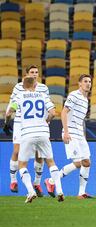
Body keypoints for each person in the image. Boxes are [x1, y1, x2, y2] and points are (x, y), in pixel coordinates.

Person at [4, 76, 64, 203]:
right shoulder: (43, 96)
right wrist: (46, 121)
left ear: (24, 86)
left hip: (27, 134)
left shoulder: (19, 96)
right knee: (51, 162)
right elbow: (53, 112)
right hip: (43, 132)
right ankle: (59, 190)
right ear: (35, 85)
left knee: (22, 164)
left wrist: (7, 123)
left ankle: (31, 191)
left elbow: (9, 113)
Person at [44, 74, 93, 199]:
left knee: (86, 162)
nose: (88, 83)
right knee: (78, 162)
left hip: (79, 134)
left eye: (90, 81)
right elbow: (64, 112)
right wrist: (66, 132)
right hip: (70, 132)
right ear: (79, 83)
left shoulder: (86, 100)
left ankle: (81, 193)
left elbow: (81, 121)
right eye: (85, 81)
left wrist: (83, 136)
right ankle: (51, 181)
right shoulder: (74, 95)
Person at [3, 65, 48, 197]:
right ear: (26, 75)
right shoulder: (18, 87)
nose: (34, 74)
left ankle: (37, 183)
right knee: (17, 151)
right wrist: (7, 121)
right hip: (20, 122)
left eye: (36, 72)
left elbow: (46, 105)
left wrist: (46, 122)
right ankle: (13, 181)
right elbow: (12, 104)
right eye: (32, 72)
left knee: (40, 154)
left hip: (38, 124)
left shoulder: (43, 88)